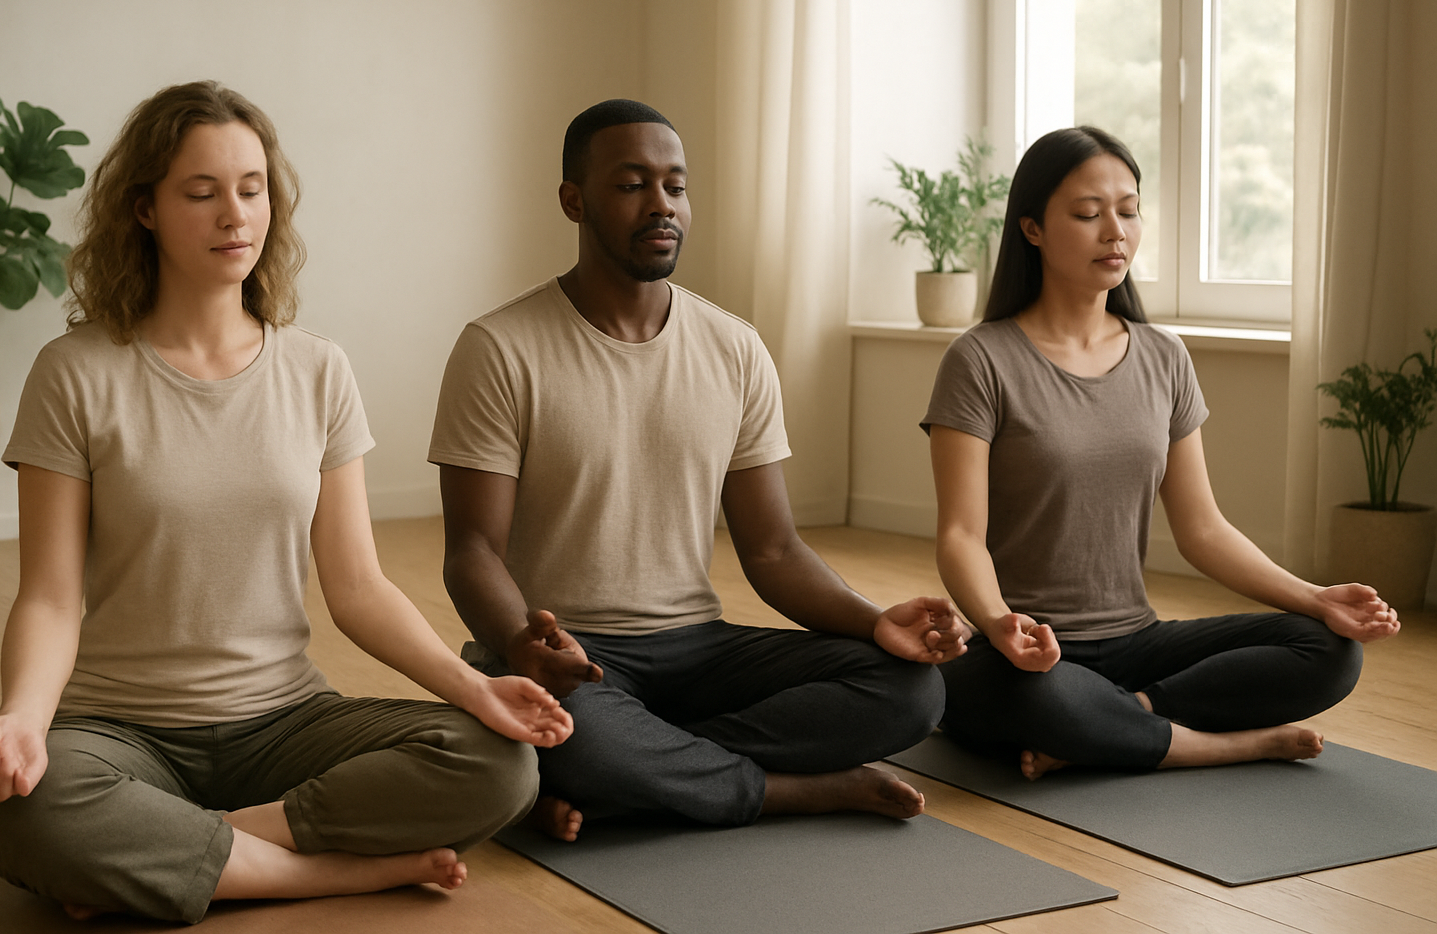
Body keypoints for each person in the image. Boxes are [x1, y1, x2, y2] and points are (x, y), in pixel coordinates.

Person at [0, 81, 572, 924]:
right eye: (201, 193)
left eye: (251, 190)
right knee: (16, 808)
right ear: (144, 210)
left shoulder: (318, 371)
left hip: (283, 723)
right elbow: (50, 595)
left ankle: (204, 848)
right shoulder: (76, 374)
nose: (234, 216)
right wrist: (25, 722)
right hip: (119, 729)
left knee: (500, 764)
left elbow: (357, 587)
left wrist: (477, 692)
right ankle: (317, 873)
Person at [429, 98, 967, 842]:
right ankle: (793, 790)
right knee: (575, 726)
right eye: (632, 185)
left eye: (675, 186)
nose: (662, 205)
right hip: (573, 656)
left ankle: (640, 776)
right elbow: (472, 552)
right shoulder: (499, 348)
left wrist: (876, 622)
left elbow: (774, 550)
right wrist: (521, 640)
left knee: (910, 691)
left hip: (699, 649)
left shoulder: (735, 348)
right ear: (573, 200)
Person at [925, 125, 1400, 781]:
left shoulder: (1163, 356)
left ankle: (1120, 723)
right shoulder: (979, 360)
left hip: (1137, 642)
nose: (1115, 231)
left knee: (1330, 649)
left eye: (1128, 210)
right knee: (1001, 691)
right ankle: (1220, 745)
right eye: (1089, 214)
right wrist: (999, 622)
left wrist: (1315, 598)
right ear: (1031, 229)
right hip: (1029, 649)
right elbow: (960, 534)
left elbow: (1202, 529)